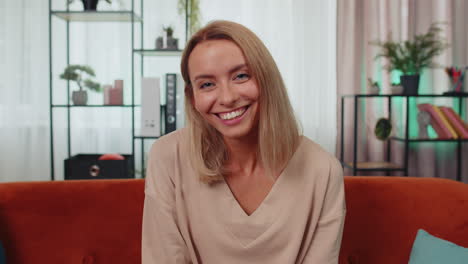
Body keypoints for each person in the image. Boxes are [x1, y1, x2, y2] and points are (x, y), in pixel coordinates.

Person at [142, 20, 346, 264]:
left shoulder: (323, 170)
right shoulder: (167, 156)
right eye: (207, 84)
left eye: (241, 76)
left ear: (266, 79)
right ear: (192, 96)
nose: (227, 98)